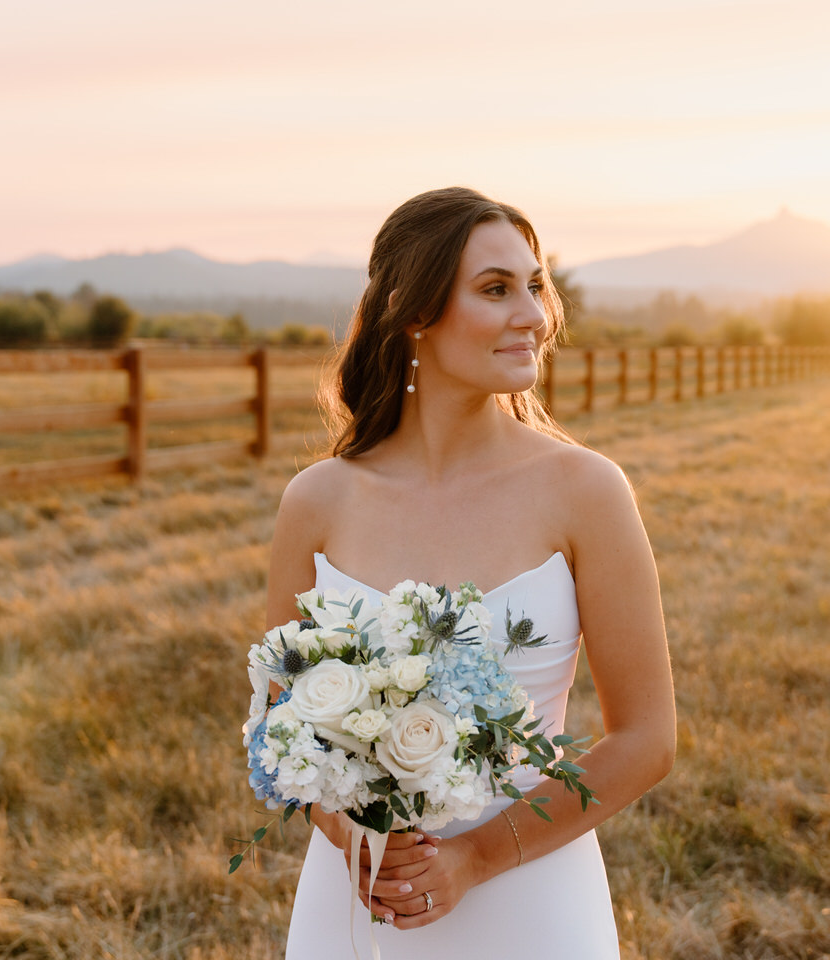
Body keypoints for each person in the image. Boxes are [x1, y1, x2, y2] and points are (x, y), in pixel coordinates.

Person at [264, 186, 675, 959]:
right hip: (360, 902)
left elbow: (646, 739)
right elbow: (281, 717)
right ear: (413, 311)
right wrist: (355, 834)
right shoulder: (317, 501)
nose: (535, 314)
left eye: (535, 284)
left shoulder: (586, 491)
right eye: (496, 289)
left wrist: (476, 858)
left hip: (531, 893)